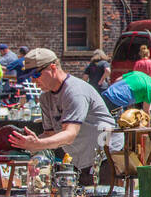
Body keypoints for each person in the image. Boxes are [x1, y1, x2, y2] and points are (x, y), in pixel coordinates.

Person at [10, 49, 121, 183]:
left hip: (108, 158)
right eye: (30, 77)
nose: (33, 81)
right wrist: (29, 145)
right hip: (84, 162)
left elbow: (69, 135)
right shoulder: (45, 98)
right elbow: (50, 135)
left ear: (52, 68)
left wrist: (38, 144)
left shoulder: (74, 91)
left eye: (36, 74)